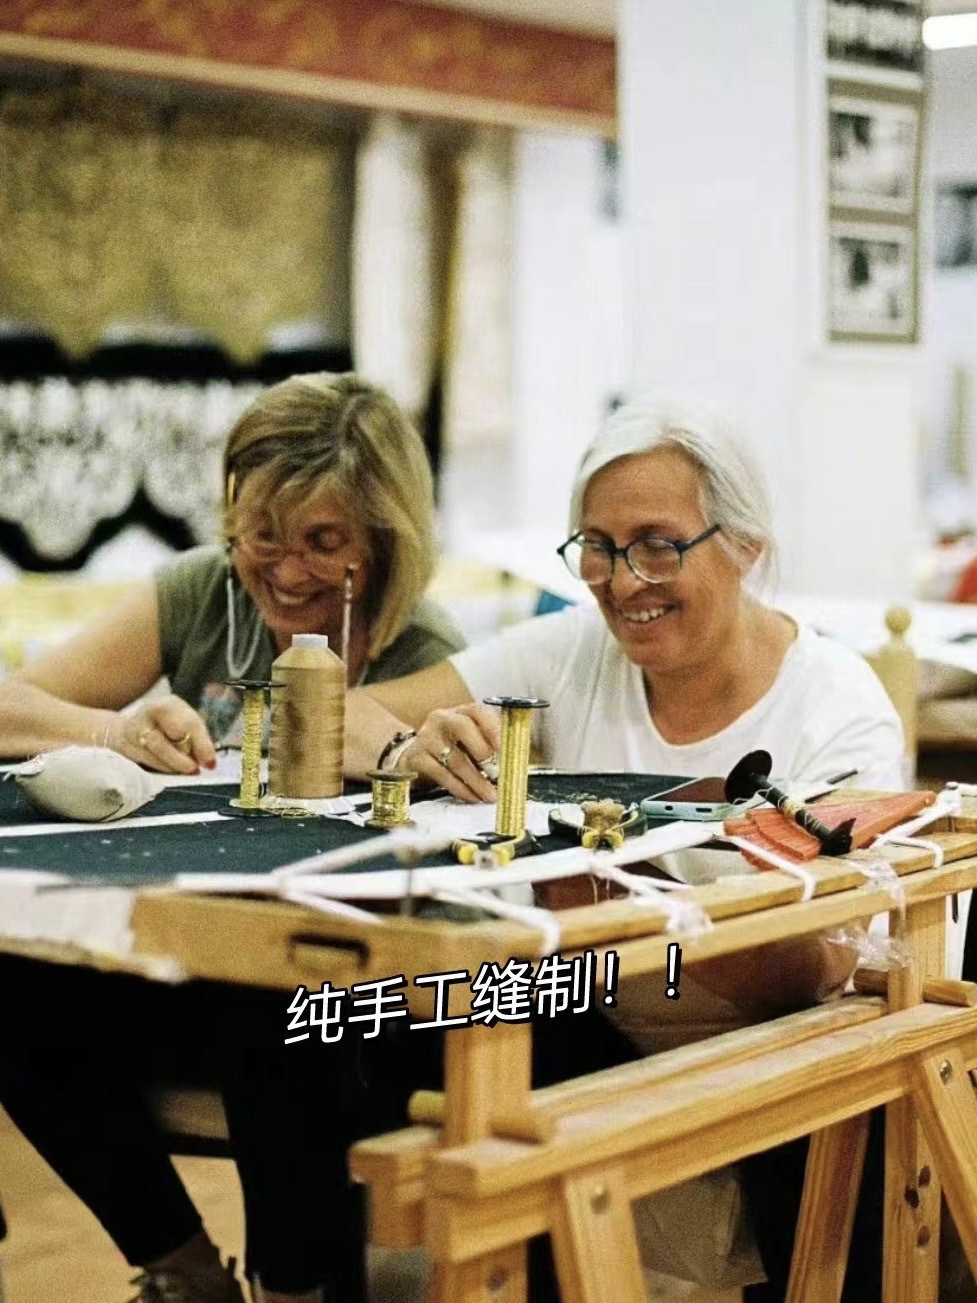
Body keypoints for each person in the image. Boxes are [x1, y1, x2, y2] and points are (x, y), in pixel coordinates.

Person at [344, 397, 905, 1300]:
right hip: (601, 1018)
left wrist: (624, 894)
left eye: (656, 545)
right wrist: (408, 748)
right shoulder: (573, 652)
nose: (620, 580)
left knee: (843, 1089)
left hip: (776, 1050)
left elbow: (818, 964)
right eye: (597, 547)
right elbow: (349, 713)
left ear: (744, 546)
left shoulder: (836, 707)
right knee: (347, 1018)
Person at [0, 373, 465, 1303]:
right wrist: (112, 729)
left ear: (385, 538)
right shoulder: (198, 593)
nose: (285, 571)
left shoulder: (433, 652)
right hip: (186, 970)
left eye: (322, 542)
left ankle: (295, 1290)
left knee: (277, 986)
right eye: (262, 535)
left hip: (354, 1001)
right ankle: (180, 1268)